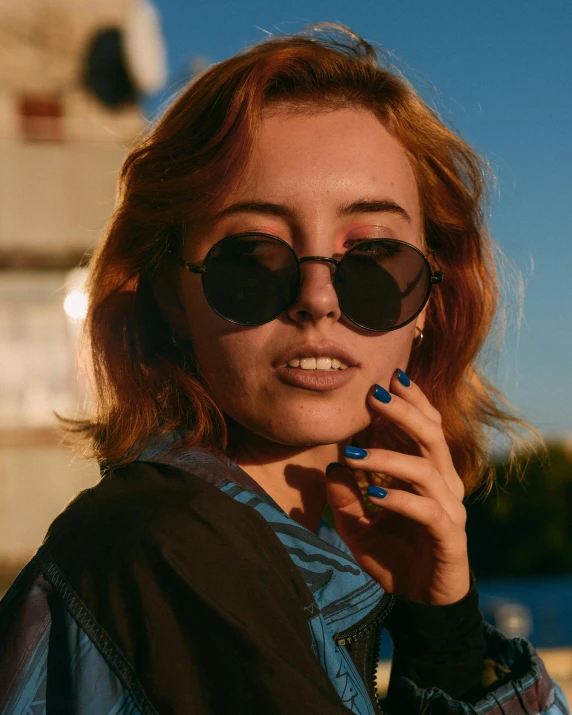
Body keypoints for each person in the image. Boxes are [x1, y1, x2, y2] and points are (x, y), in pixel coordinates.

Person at [0, 24, 568, 715]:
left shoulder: (308, 555)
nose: (318, 298)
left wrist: (443, 633)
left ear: (431, 302)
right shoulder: (165, 544)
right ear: (170, 293)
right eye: (253, 253)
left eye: (375, 257)